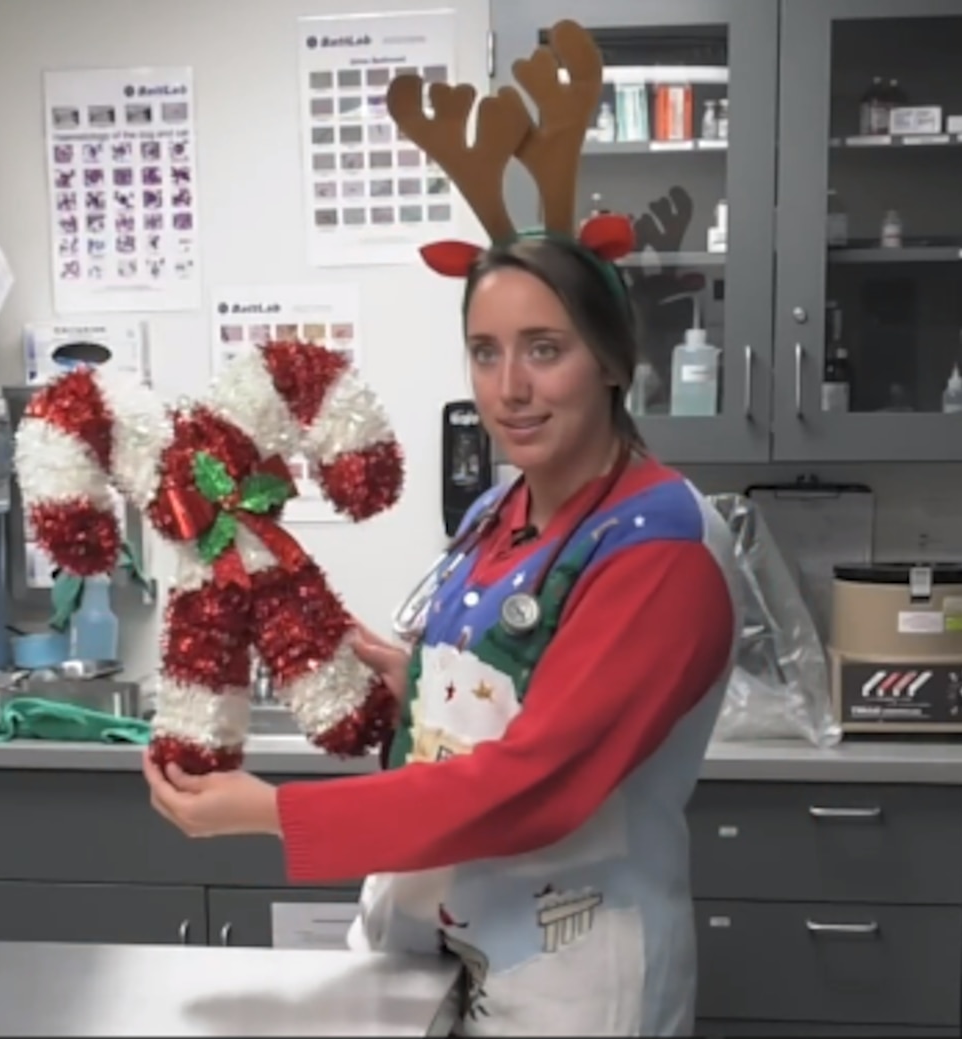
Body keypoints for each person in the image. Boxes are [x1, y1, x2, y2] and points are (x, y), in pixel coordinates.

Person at [143, 22, 749, 1036]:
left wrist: (271, 811)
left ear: (608, 360)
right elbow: (493, 696)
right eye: (483, 350)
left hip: (567, 970)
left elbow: (533, 786)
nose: (507, 389)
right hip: (437, 947)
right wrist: (396, 673)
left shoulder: (660, 552)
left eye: (542, 349)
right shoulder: (497, 508)